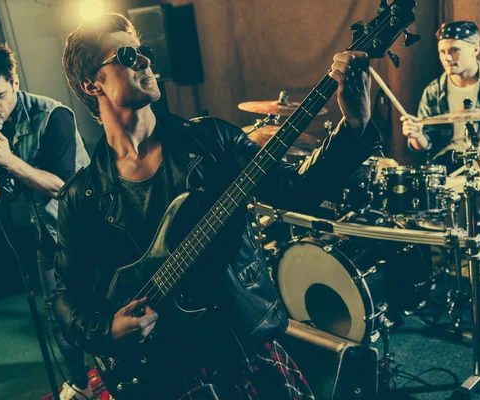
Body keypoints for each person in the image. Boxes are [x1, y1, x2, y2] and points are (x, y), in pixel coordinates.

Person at [54, 13, 380, 399]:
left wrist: (355, 126)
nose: (146, 61)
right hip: (160, 372)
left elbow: (296, 191)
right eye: (127, 55)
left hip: (242, 349)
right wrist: (106, 331)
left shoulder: (210, 141)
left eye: (144, 52)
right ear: (92, 83)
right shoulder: (83, 195)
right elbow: (64, 295)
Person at [0, 41, 92, 399]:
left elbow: (63, 187)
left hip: (89, 229)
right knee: (57, 315)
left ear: (14, 80)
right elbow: (7, 194)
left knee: (102, 306)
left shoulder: (54, 115)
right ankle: (80, 384)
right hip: (45, 236)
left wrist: (12, 161)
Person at [401, 21, 480, 321]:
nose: (448, 57)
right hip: (452, 164)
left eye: (455, 51)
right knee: (414, 200)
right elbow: (424, 146)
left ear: (475, 48)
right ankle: (432, 280)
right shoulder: (435, 90)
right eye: (442, 52)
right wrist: (415, 134)